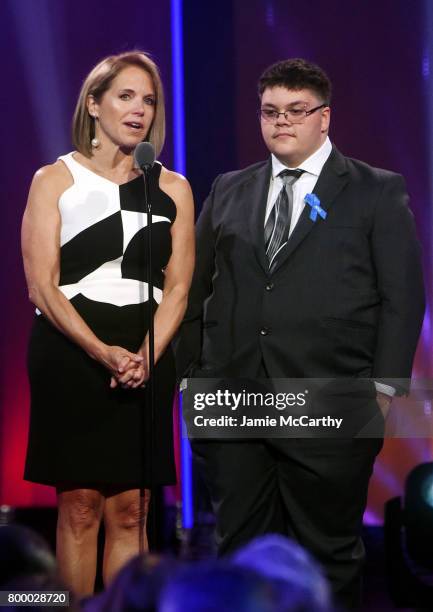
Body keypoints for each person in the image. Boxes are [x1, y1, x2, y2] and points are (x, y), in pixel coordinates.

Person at [176, 58, 425, 608]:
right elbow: (193, 291)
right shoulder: (229, 188)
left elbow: (402, 297)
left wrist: (383, 391)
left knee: (328, 553)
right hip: (232, 398)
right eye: (270, 112)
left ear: (324, 118)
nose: (281, 122)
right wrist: (190, 380)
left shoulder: (375, 191)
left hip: (330, 399)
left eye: (295, 111)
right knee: (239, 552)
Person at [21, 51, 194, 597]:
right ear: (94, 104)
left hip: (148, 348)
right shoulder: (55, 178)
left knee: (132, 510)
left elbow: (180, 288)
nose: (140, 108)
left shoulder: (173, 188)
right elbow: (42, 286)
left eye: (148, 99)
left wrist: (145, 353)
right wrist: (103, 352)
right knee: (80, 506)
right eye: (126, 96)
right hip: (72, 347)